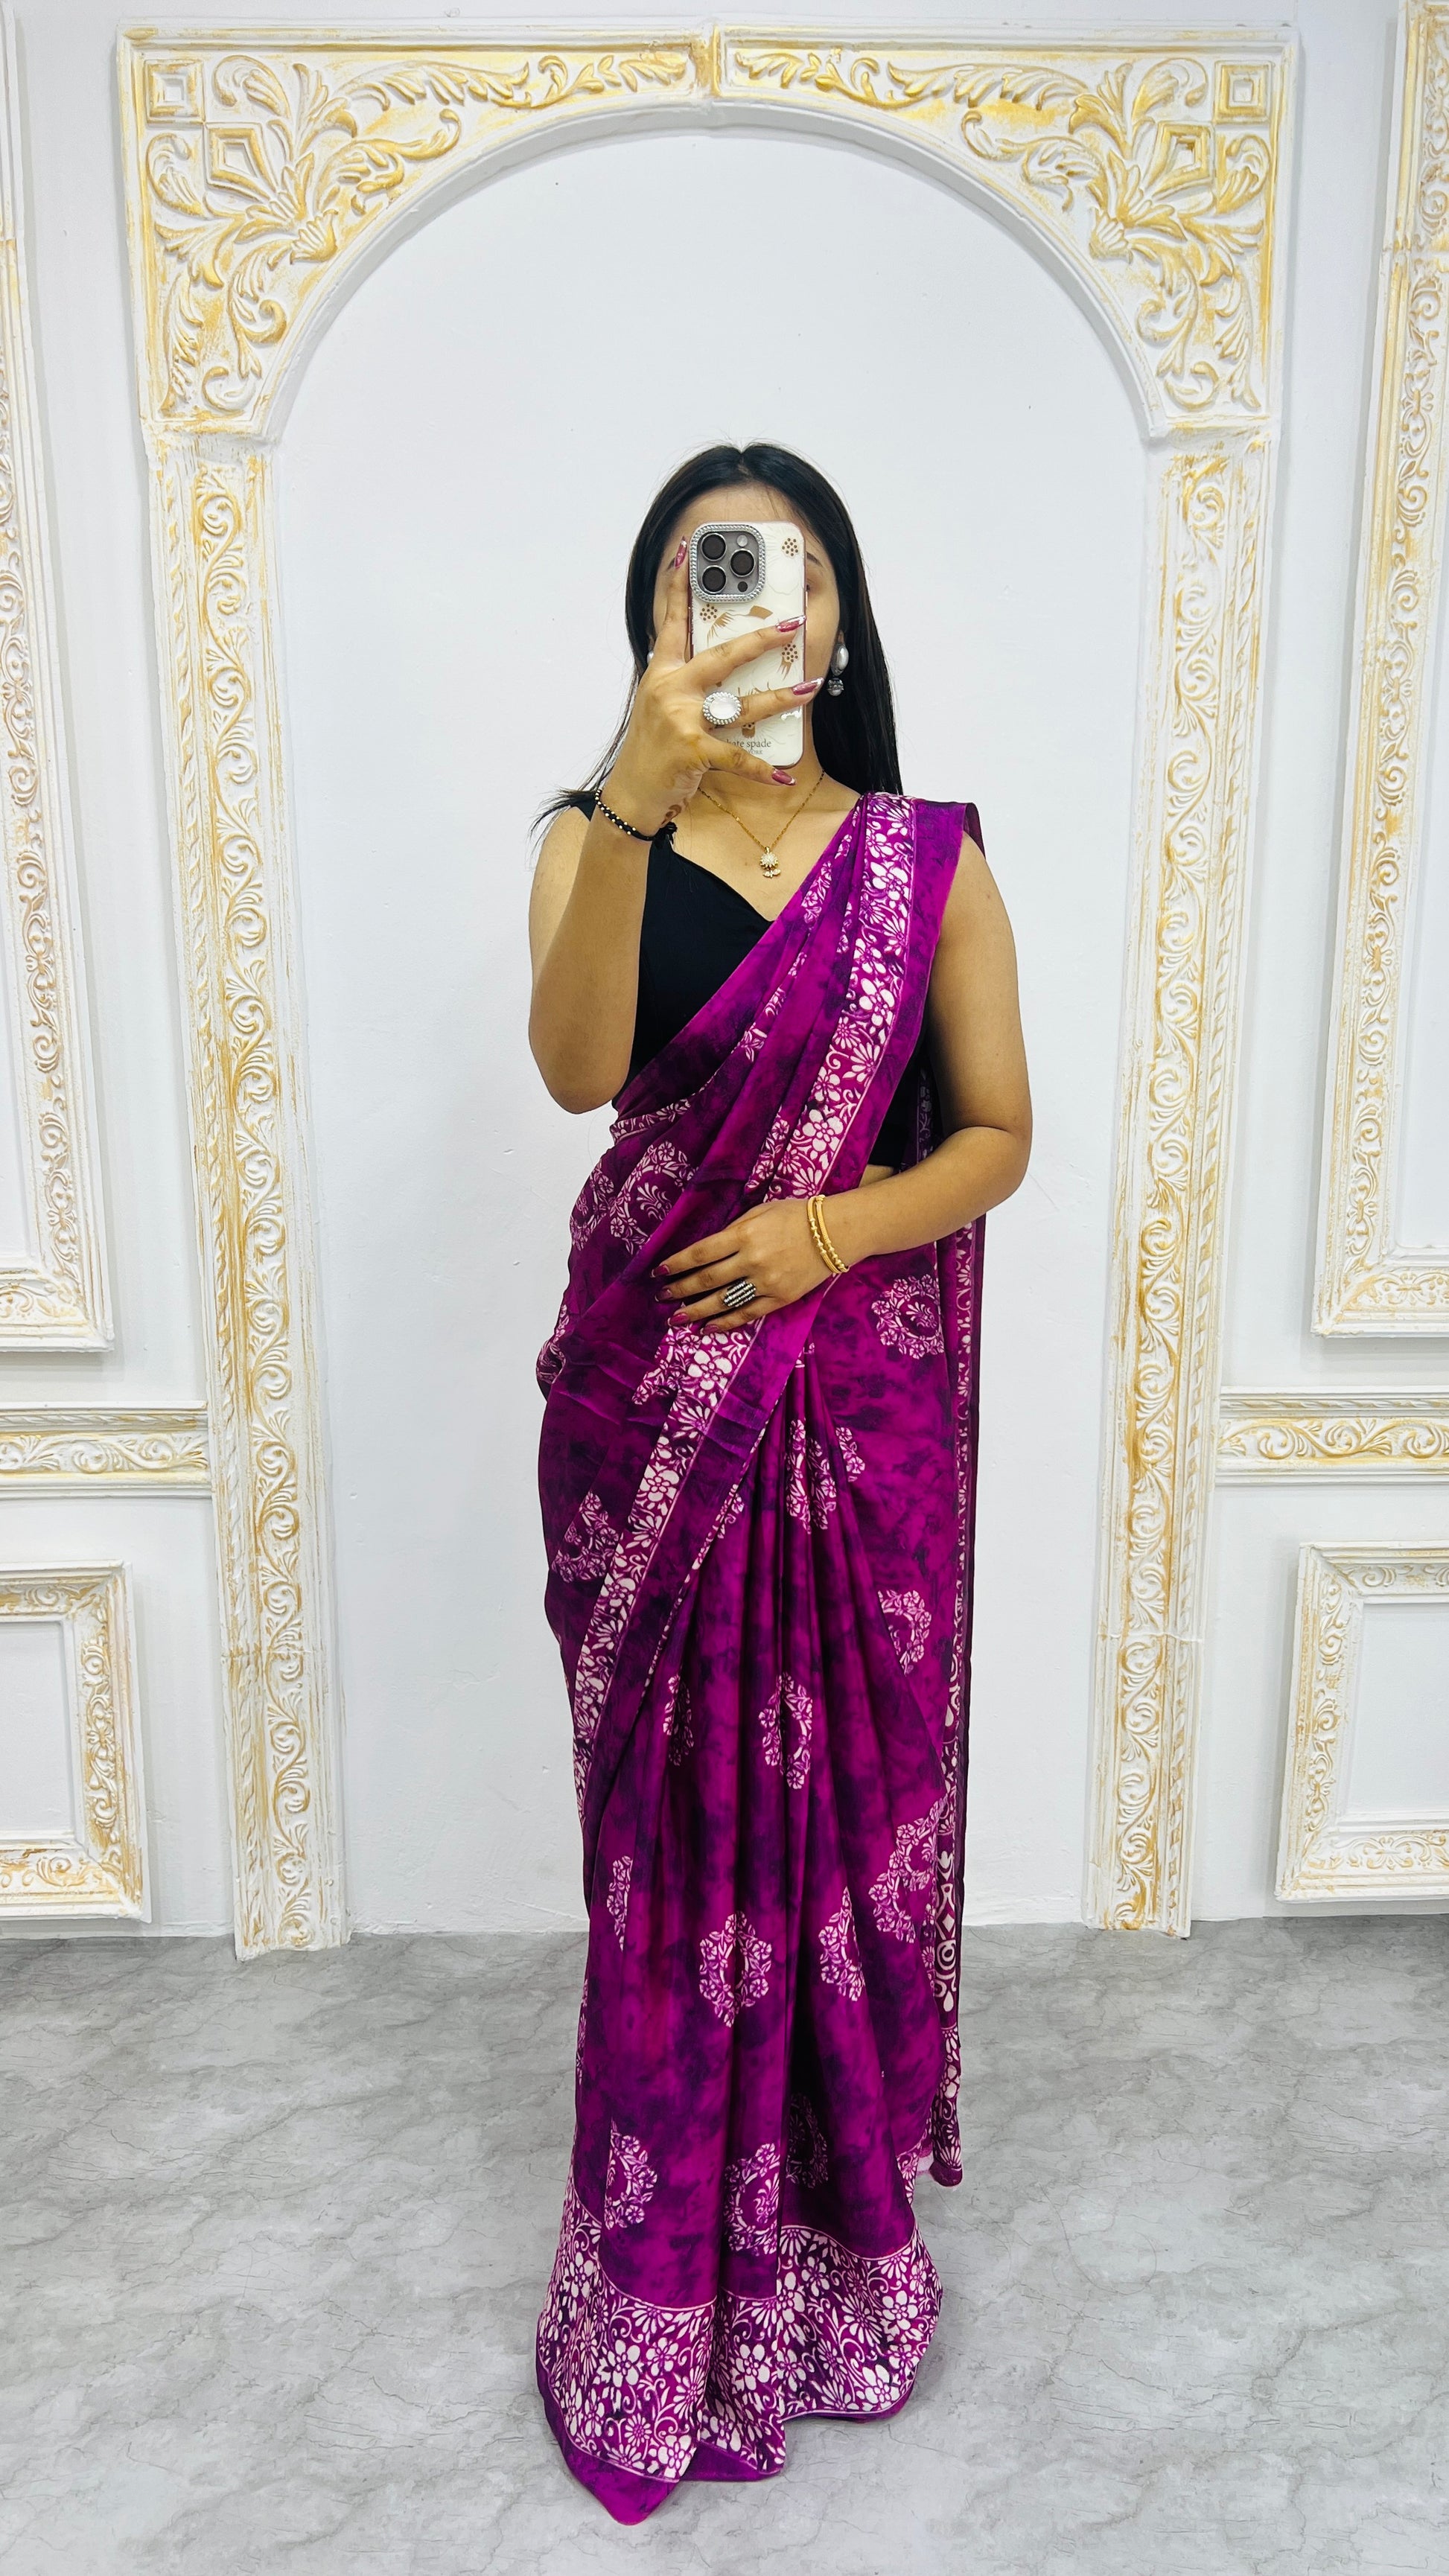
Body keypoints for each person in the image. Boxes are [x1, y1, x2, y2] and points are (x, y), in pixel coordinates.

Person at [526, 441, 1031, 2522]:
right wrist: (630, 794)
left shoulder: (924, 860)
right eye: (712, 574)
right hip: (649, 1417)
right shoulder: (592, 838)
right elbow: (573, 1070)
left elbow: (993, 1135)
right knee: (667, 1861)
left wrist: (828, 1233)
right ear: (659, 619)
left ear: (840, 619)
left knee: (831, 1840)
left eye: (792, 571)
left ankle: (836, 2259)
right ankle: (649, 2281)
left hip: (849, 1421)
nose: (758, 606)